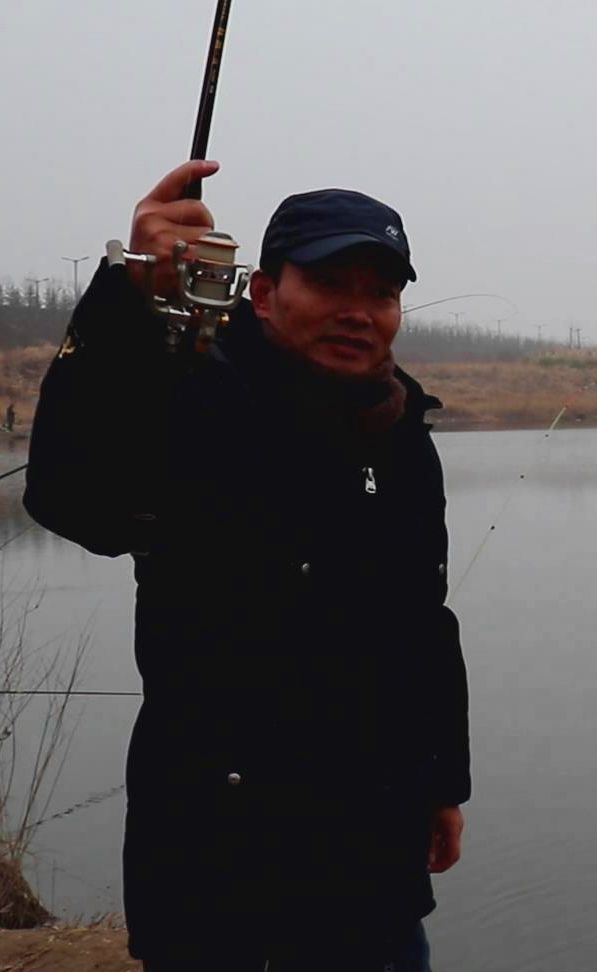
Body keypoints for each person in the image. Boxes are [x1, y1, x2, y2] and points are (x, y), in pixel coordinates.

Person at [24, 160, 469, 970]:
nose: (358, 311)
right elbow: (71, 498)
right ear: (263, 295)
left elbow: (424, 621)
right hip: (216, 867)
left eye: (380, 291)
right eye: (331, 282)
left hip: (372, 863)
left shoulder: (400, 430)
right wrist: (131, 293)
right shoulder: (198, 400)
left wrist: (442, 780)